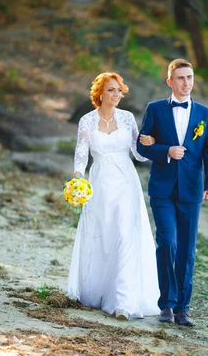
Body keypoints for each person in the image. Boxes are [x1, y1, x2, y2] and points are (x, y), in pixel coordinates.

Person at [67, 71, 160, 321]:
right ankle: (99, 292)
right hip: (99, 183)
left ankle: (123, 302)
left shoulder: (128, 118)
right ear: (100, 93)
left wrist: (151, 144)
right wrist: (78, 177)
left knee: (124, 235)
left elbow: (138, 154)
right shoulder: (87, 121)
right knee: (103, 235)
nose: (117, 94)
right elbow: (81, 153)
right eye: (111, 90)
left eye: (119, 90)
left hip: (126, 183)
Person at [136, 58, 208, 326]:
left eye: (190, 77)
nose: (187, 83)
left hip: (192, 191)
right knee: (167, 243)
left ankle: (183, 307)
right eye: (181, 78)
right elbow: (142, 146)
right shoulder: (155, 109)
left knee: (187, 249)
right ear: (170, 82)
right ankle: (166, 305)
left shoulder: (206, 115)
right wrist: (166, 151)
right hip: (162, 188)